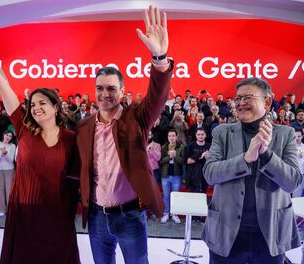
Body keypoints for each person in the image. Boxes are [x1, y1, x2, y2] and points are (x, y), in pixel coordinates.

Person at [0, 32, 80, 263]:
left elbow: (76, 176)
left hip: (57, 213)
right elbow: (3, 84)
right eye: (32, 104)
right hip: (24, 210)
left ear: (55, 107)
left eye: (42, 103)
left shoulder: (71, 138)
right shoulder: (23, 128)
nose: (36, 108)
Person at [76, 5, 171, 264]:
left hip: (129, 216)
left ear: (122, 90)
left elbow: (157, 96)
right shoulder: (84, 126)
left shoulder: (136, 117)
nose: (105, 94)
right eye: (99, 88)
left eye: (111, 88)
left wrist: (160, 57)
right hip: (96, 217)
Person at [202, 77, 302, 263]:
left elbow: (293, 182)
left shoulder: (285, 134)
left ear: (267, 101)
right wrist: (245, 159)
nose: (240, 103)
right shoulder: (222, 132)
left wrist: (266, 154)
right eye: (238, 98)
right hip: (226, 231)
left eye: (247, 97)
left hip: (270, 232)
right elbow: (210, 174)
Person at [159, 129, 186, 224]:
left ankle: (174, 214)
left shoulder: (181, 147)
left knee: (175, 196)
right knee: (166, 196)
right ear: (167, 137)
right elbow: (161, 162)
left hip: (176, 175)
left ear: (176, 136)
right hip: (165, 175)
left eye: (173, 136)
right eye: (169, 136)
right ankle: (166, 213)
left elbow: (183, 161)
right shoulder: (163, 147)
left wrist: (175, 156)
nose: (171, 137)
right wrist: (169, 157)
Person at [0, 130, 16, 216]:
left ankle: (10, 209)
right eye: (7, 135)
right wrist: (1, 154)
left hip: (9, 169)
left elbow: (11, 160)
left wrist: (5, 153)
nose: (8, 137)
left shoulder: (12, 146)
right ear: (3, 135)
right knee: (0, 189)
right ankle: (2, 209)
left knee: (9, 190)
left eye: (10, 136)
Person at [185, 127, 210, 194]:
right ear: (196, 135)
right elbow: (188, 161)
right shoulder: (191, 145)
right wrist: (200, 157)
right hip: (193, 175)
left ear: (205, 135)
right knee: (193, 196)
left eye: (202, 134)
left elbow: (211, 161)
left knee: (203, 195)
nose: (200, 136)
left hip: (205, 175)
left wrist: (209, 158)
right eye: (198, 134)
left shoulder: (209, 146)